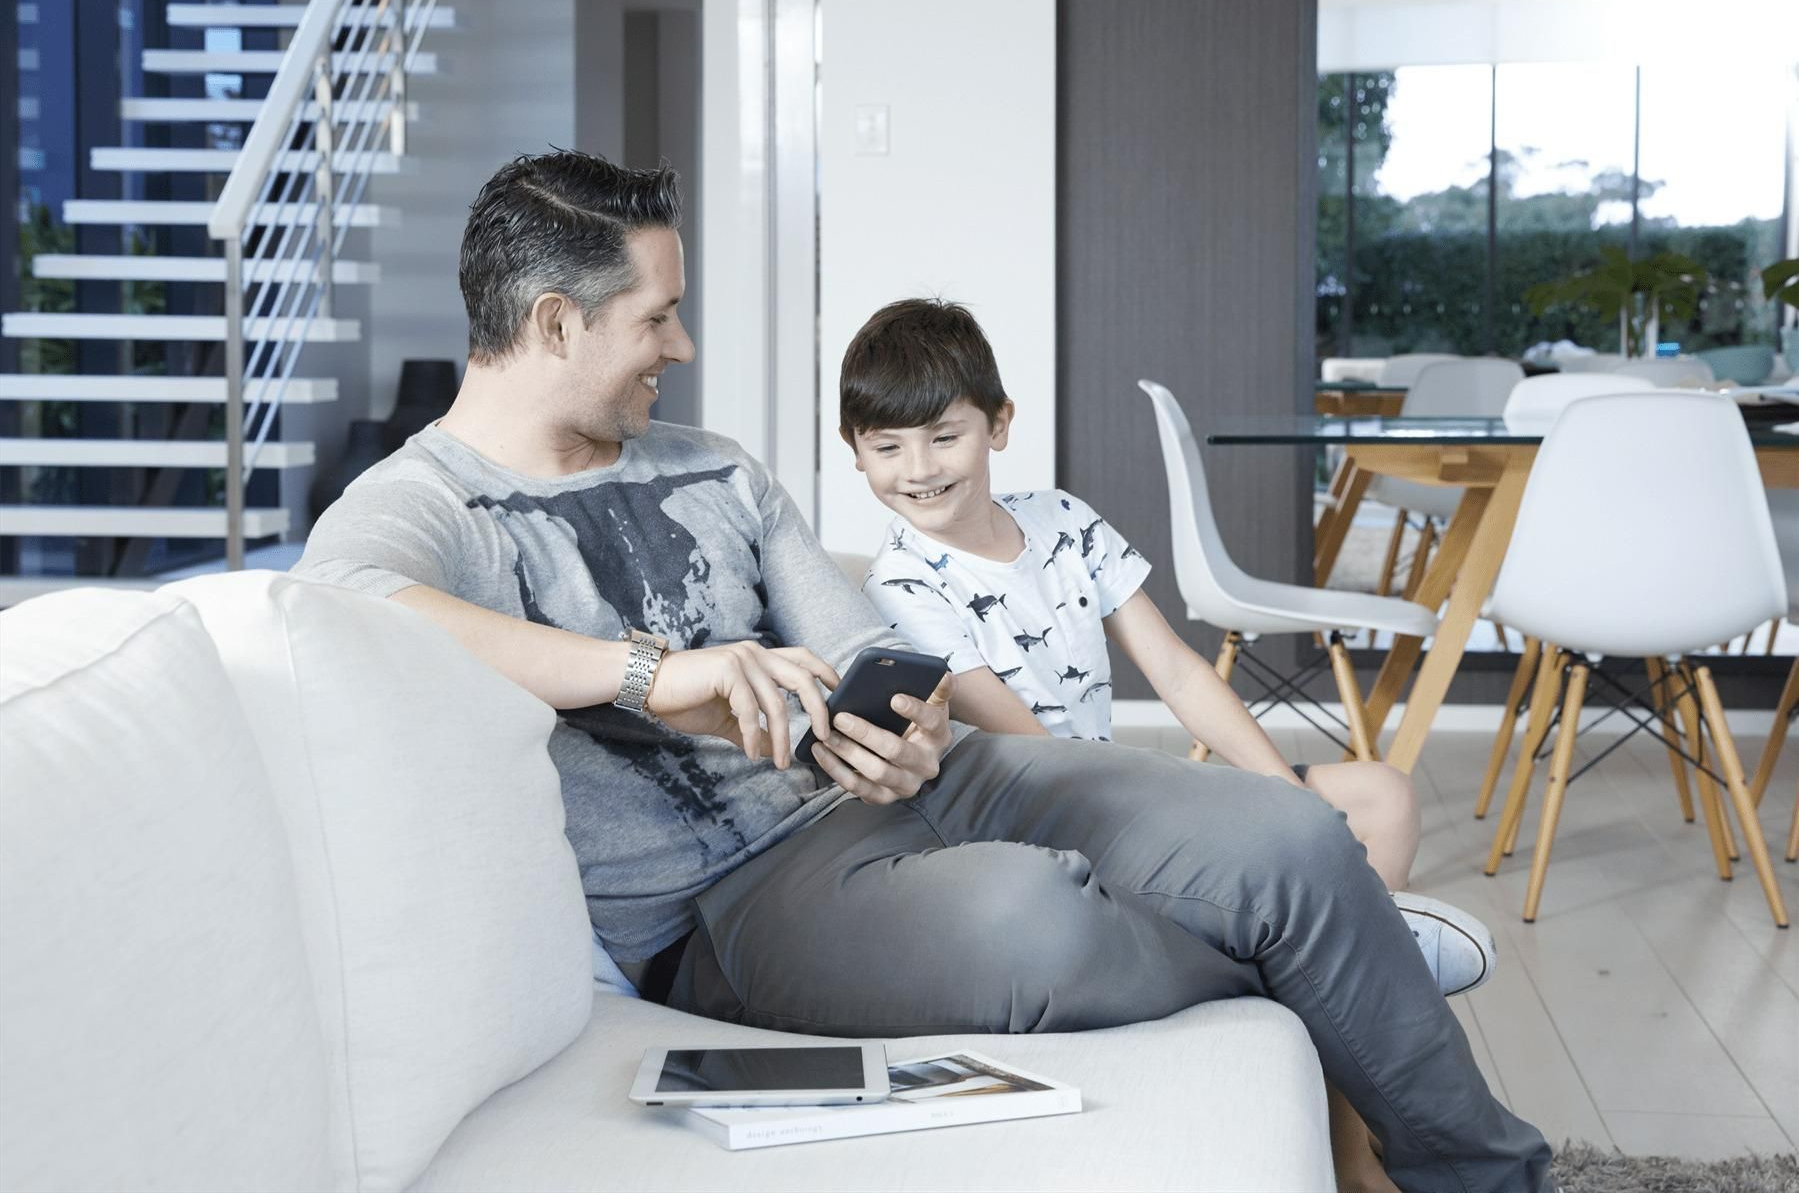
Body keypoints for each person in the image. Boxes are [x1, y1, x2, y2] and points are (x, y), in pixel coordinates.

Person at [294, 150, 1551, 1193]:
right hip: (730, 907)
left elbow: (852, 639)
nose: (678, 339)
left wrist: (905, 724)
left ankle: (1489, 1172)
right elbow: (337, 601)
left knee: (1287, 832)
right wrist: (651, 673)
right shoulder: (432, 502)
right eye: (654, 314)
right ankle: (1342, 945)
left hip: (935, 787)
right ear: (554, 323)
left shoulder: (715, 464)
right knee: (1042, 922)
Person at [841, 296, 1499, 1192]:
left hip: (1122, 795)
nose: (916, 470)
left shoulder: (1064, 522)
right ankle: (1362, 995)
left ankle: (1353, 1007)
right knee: (1307, 885)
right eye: (886, 448)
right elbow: (1034, 748)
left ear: (998, 425)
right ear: (855, 450)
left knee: (1380, 794)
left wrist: (1285, 805)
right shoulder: (901, 581)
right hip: (1049, 822)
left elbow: (1182, 676)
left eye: (941, 437)